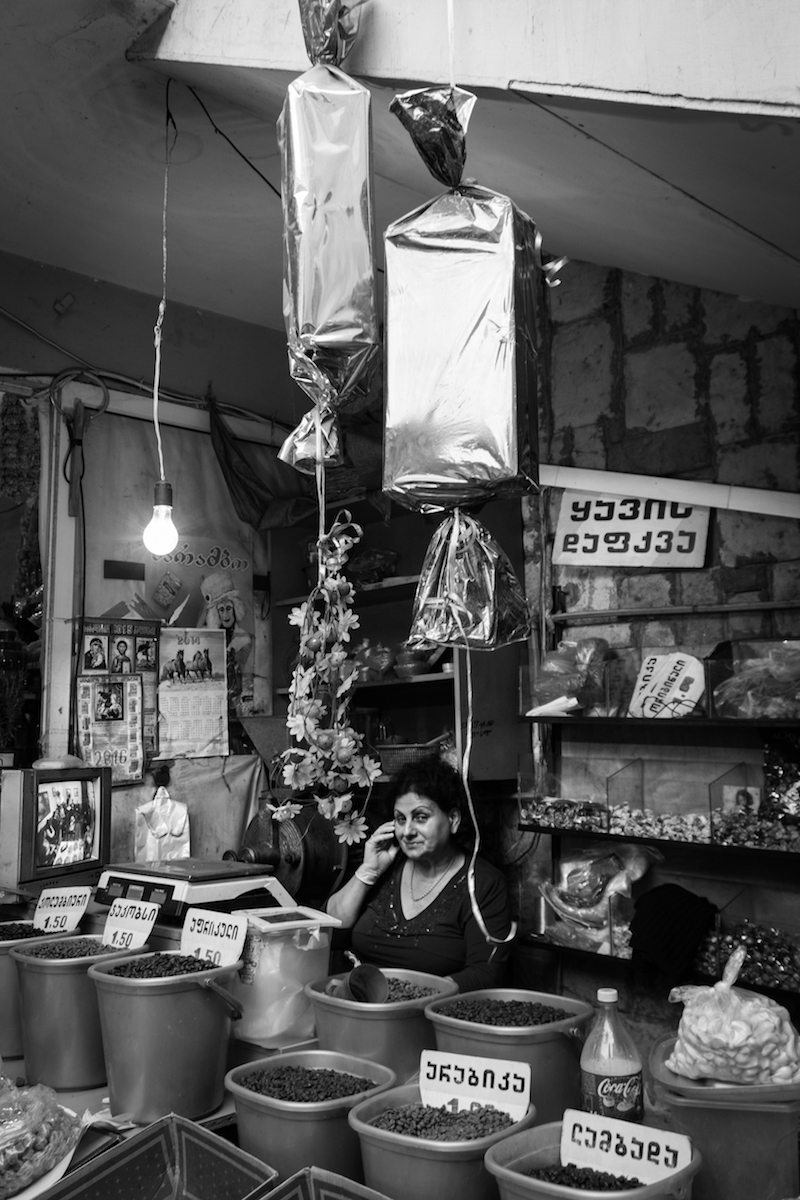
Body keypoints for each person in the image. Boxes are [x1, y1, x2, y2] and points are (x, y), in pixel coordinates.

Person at [326, 756, 513, 993]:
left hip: (430, 1014)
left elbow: (485, 973)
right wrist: (367, 872)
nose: (407, 831)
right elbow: (331, 931)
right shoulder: (386, 867)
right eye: (400, 819)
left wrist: (410, 996)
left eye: (421, 817)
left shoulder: (485, 883)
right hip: (362, 1010)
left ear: (453, 820)